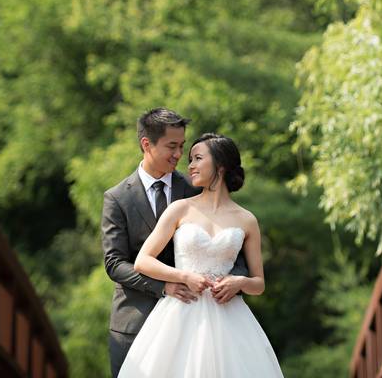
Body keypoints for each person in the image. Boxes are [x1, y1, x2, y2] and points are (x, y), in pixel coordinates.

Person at [117, 132, 283, 378]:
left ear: (221, 165)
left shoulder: (247, 220)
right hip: (180, 312)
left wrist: (240, 282)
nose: (190, 165)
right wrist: (184, 276)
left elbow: (258, 284)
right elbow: (143, 261)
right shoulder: (180, 209)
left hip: (231, 319)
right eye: (191, 159)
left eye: (197, 158)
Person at [102, 109, 249, 378]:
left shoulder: (197, 188)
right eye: (172, 146)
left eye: (182, 146)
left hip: (199, 322)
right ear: (147, 144)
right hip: (134, 322)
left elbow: (234, 252)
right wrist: (165, 285)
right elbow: (115, 263)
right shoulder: (117, 198)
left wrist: (232, 283)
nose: (180, 155)